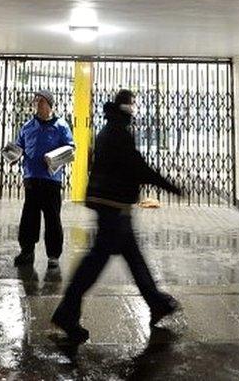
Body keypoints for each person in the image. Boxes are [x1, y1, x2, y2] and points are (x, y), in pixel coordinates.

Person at [52, 90, 182, 343]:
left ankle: (157, 303)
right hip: (113, 208)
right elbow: (136, 167)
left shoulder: (109, 130)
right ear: (126, 106)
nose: (134, 109)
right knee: (95, 263)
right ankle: (67, 313)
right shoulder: (117, 133)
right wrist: (169, 185)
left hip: (113, 206)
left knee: (134, 258)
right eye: (132, 104)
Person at [13, 90, 74, 268]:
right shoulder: (27, 127)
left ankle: (53, 255)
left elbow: (70, 148)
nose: (37, 104)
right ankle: (27, 251)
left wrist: (55, 157)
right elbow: (19, 146)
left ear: (49, 104)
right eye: (36, 101)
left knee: (52, 217)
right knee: (29, 217)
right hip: (31, 178)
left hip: (51, 179)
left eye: (41, 101)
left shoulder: (61, 126)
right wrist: (13, 155)